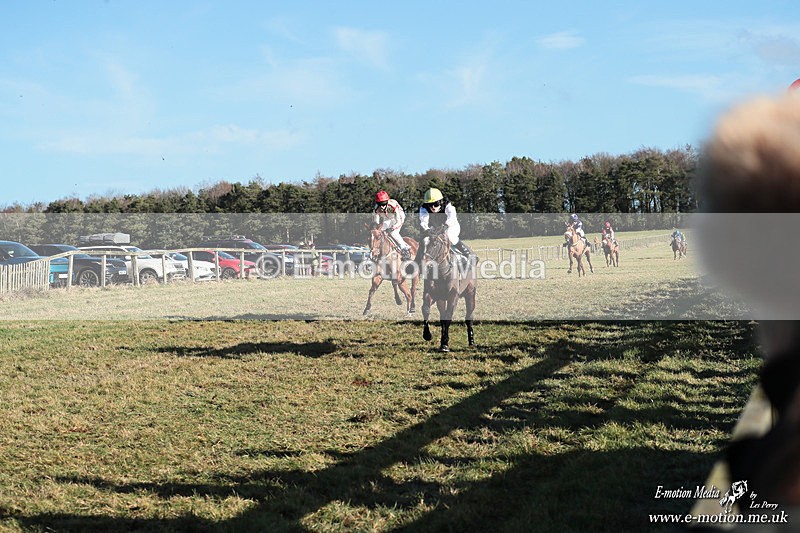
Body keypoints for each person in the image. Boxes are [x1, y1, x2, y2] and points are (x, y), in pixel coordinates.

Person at [418, 188, 474, 258]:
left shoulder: (448, 206)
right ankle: (419, 260)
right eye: (430, 204)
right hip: (435, 229)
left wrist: (446, 225)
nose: (432, 207)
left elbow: (452, 217)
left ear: (441, 202)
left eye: (435, 204)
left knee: (449, 236)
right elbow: (423, 222)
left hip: (452, 227)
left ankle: (467, 253)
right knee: (425, 240)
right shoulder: (423, 208)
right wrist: (427, 230)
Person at [372, 190, 412, 260]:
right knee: (379, 232)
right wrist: (376, 228)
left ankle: (405, 248)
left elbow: (398, 222)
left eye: (384, 203)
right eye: (380, 204)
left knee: (393, 232)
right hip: (387, 218)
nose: (382, 206)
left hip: (398, 217)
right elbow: (376, 222)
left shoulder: (393, 205)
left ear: (387, 201)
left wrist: (393, 228)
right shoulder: (376, 208)